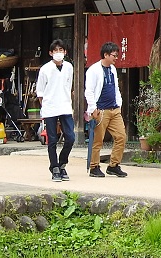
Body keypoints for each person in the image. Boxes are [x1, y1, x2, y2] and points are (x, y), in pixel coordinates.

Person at [84, 41, 128, 179]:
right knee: (98, 140)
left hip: (114, 108)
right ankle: (94, 166)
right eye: (114, 55)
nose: (116, 58)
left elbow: (116, 88)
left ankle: (114, 165)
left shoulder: (113, 69)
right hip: (101, 109)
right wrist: (92, 108)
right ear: (106, 55)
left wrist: (119, 104)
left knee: (121, 136)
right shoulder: (94, 70)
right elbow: (89, 91)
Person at [36, 39, 75, 182]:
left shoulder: (69, 67)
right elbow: (40, 92)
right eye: (55, 50)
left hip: (65, 106)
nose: (58, 53)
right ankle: (55, 167)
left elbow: (69, 86)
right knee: (52, 139)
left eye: (61, 50)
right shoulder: (45, 69)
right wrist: (44, 107)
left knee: (70, 137)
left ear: (65, 52)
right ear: (51, 53)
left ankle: (62, 162)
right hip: (50, 107)